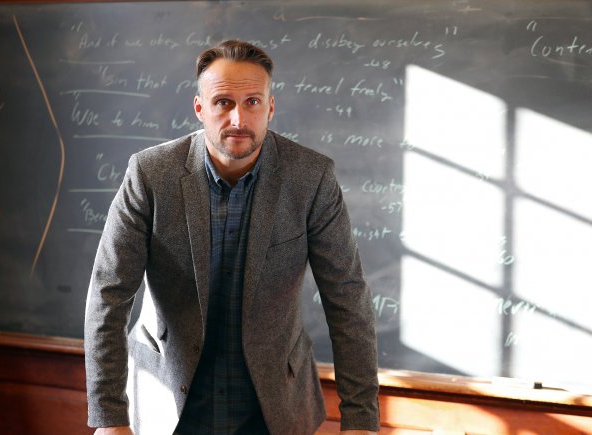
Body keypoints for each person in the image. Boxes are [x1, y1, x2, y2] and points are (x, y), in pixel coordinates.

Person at [84, 40, 379, 435]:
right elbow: (108, 294)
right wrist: (109, 418)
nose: (239, 117)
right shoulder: (150, 175)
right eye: (223, 102)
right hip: (168, 404)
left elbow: (348, 300)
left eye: (253, 102)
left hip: (273, 409)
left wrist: (361, 419)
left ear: (270, 108)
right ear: (200, 108)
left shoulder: (312, 179)